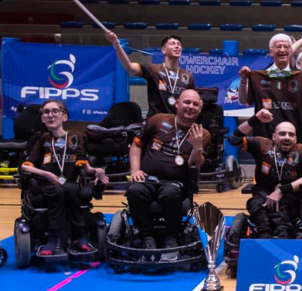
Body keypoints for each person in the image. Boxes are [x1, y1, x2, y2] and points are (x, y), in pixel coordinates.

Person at [21, 101, 110, 255]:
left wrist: (97, 170)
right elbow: (25, 167)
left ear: (64, 116)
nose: (50, 115)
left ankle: (80, 236)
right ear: (42, 118)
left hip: (68, 183)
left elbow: (85, 166)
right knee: (59, 192)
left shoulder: (75, 137)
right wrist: (47, 174)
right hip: (47, 184)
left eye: (55, 111)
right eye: (46, 112)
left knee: (71, 189)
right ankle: (52, 239)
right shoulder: (42, 139)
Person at [127, 88, 211, 249]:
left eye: (195, 104)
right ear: (177, 103)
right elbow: (136, 145)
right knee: (135, 191)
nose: (190, 107)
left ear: (200, 108)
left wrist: (197, 146)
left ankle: (171, 236)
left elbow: (195, 164)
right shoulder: (157, 120)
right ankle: (146, 236)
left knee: (170, 194)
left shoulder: (203, 134)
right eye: (187, 102)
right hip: (147, 178)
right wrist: (135, 170)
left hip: (175, 182)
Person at [240, 121, 302, 238]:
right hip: (263, 194)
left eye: (291, 134)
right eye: (282, 133)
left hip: (290, 196)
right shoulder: (263, 145)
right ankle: (264, 234)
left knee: (282, 208)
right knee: (255, 203)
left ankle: (282, 234)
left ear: (295, 139)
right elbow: (234, 139)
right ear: (274, 136)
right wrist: (255, 118)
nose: (287, 137)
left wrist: (282, 190)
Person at [238, 33, 302, 141]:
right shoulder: (259, 76)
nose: (282, 50)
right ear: (271, 51)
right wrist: (243, 81)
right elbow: (243, 100)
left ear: (291, 50)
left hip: (295, 138)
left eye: (286, 47)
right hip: (264, 138)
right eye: (278, 47)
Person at [106, 31, 195, 116]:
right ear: (164, 50)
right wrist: (116, 44)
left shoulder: (187, 76)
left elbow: (192, 100)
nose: (177, 46)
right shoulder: (153, 69)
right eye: (173, 44)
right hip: (157, 120)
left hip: (179, 120)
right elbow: (129, 67)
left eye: (179, 44)